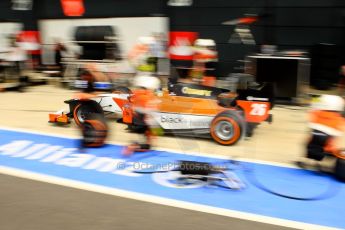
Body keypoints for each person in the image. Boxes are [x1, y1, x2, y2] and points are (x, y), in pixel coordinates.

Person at [122, 74, 161, 156]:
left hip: (134, 120)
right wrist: (154, 132)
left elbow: (126, 105)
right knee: (148, 145)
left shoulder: (135, 93)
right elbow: (151, 116)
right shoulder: (150, 96)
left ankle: (136, 144)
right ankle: (134, 146)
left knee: (146, 137)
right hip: (143, 121)